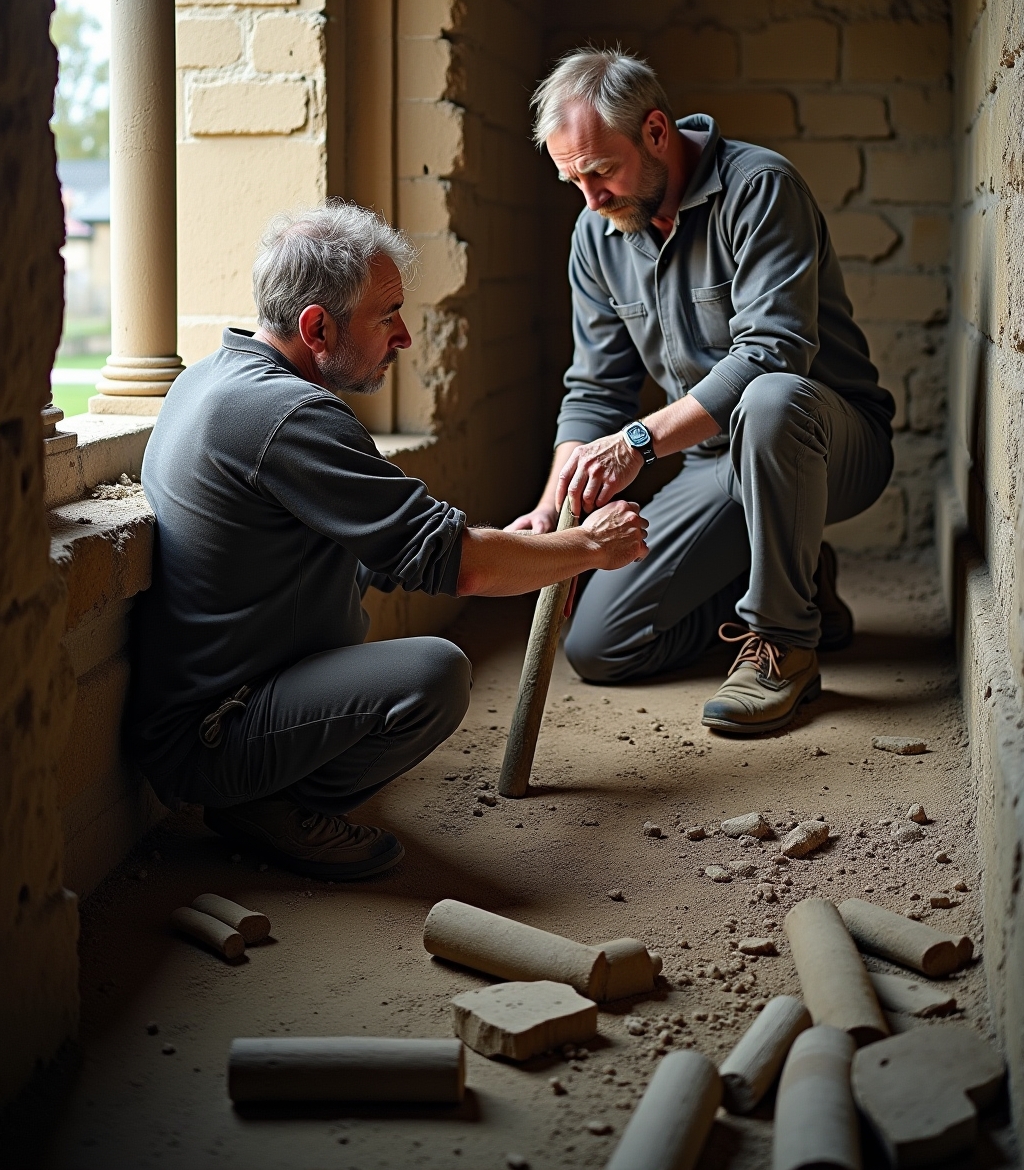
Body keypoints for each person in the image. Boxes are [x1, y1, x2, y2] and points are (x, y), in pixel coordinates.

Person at [129, 203, 647, 880]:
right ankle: (265, 806)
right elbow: (458, 567)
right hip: (218, 732)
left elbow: (399, 545)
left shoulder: (211, 378)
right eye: (386, 315)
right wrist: (588, 547)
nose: (403, 336)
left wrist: (511, 546)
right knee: (432, 676)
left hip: (219, 706)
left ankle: (260, 793)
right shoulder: (290, 416)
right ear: (317, 326)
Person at [507, 46, 895, 736]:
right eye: (573, 180)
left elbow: (774, 352)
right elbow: (596, 387)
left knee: (771, 397)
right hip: (715, 464)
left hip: (824, 442)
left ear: (657, 132)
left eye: (601, 172)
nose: (592, 201)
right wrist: (551, 512)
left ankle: (784, 644)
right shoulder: (597, 236)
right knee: (602, 647)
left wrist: (638, 443)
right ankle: (798, 576)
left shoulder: (759, 188)